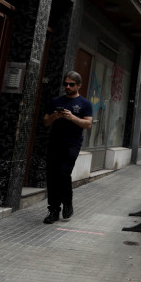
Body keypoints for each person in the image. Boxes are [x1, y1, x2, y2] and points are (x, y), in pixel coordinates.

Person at [42, 71, 92, 224]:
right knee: (52, 176)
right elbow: (45, 122)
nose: (68, 87)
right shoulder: (56, 101)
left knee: (63, 174)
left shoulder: (85, 103)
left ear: (79, 86)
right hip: (55, 143)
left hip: (72, 144)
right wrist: (53, 117)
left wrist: (72, 117)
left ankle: (67, 203)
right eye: (65, 84)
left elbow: (88, 124)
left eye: (71, 84)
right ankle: (54, 210)